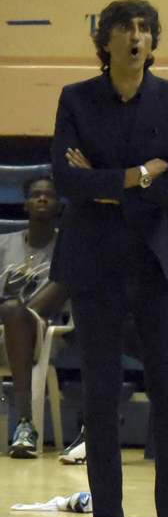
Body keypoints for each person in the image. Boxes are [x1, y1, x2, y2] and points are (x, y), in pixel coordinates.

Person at [50, 0, 168, 517]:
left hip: (162, 263)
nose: (136, 37)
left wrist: (106, 185)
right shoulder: (76, 97)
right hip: (96, 262)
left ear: (153, 41)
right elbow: (67, 178)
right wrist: (138, 175)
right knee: (99, 395)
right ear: (106, 41)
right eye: (125, 28)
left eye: (144, 29)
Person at [1, 176, 70, 459]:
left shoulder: (67, 248)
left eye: (49, 195)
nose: (42, 199)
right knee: (10, 310)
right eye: (35, 195)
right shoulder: (4, 243)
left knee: (14, 310)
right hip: (3, 326)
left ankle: (25, 423)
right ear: (25, 205)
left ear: (58, 206)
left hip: (43, 331)